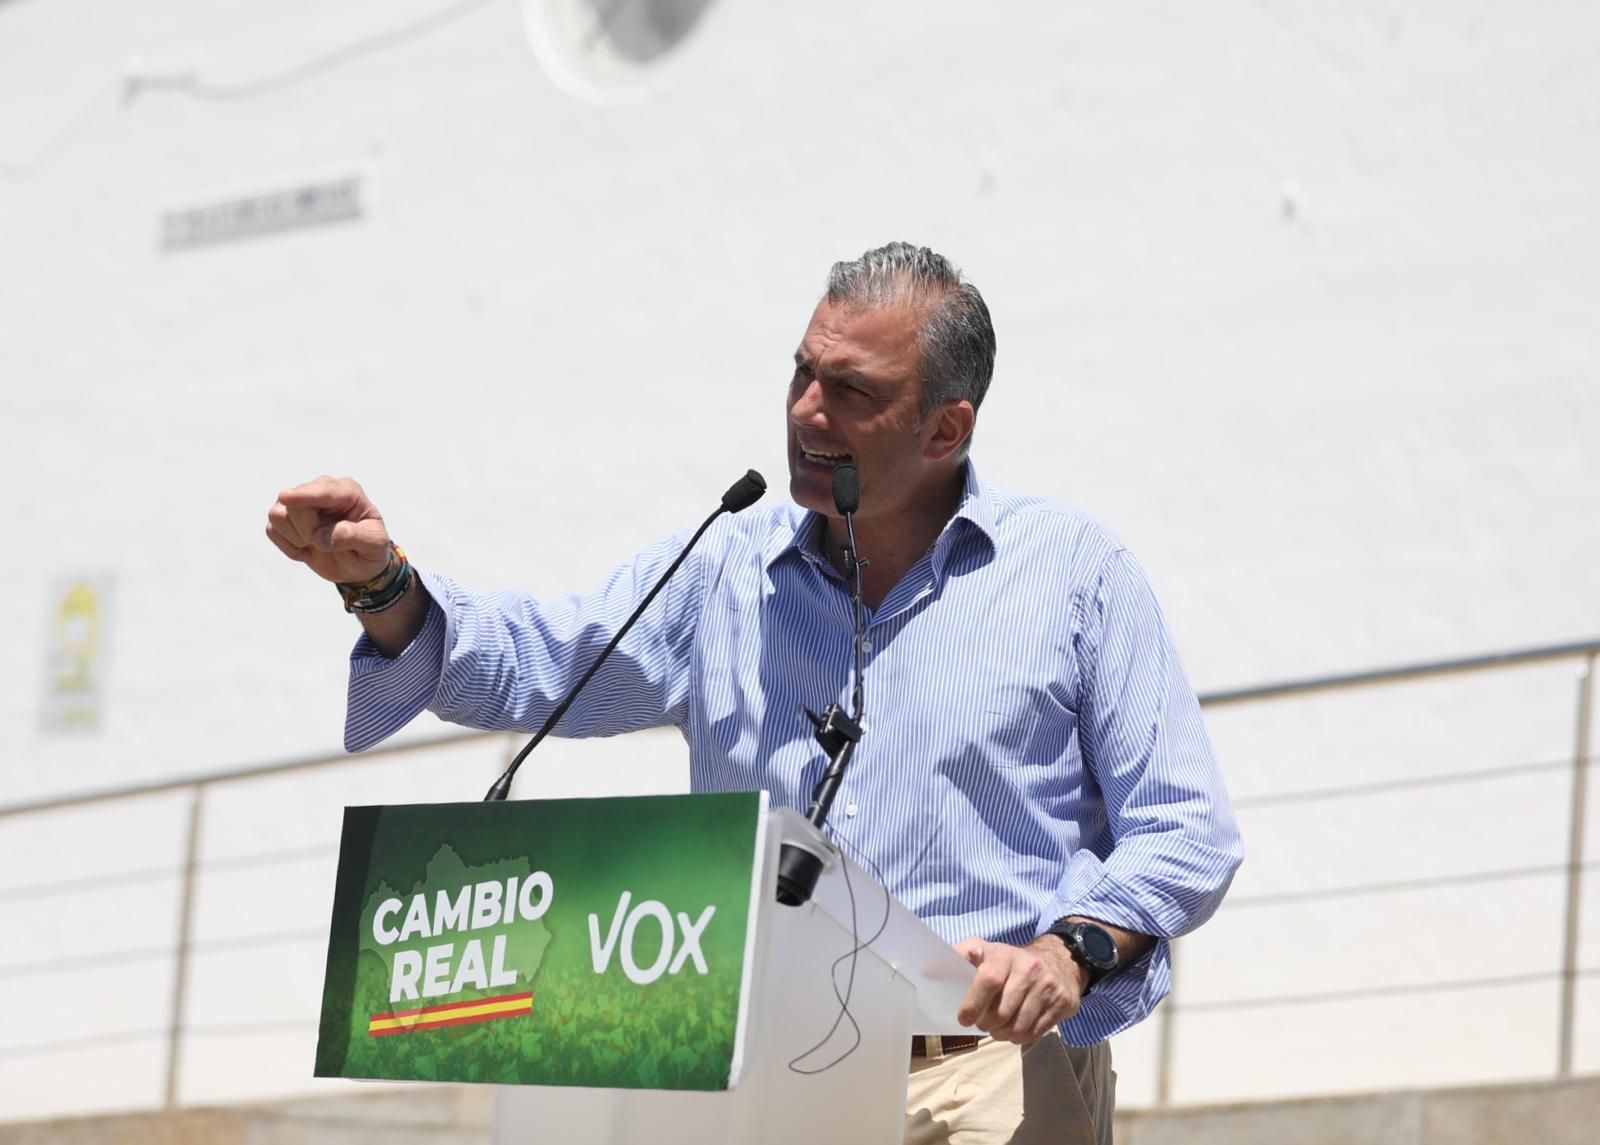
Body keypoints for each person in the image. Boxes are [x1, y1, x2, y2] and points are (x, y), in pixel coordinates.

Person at [267, 242, 1243, 1145]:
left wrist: (1068, 950)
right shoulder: (721, 569)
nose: (807, 411)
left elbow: (1183, 825)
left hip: (982, 1070)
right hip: (766, 1085)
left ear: (947, 425)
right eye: (801, 372)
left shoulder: (1073, 573)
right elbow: (538, 663)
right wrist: (382, 583)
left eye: (852, 389)